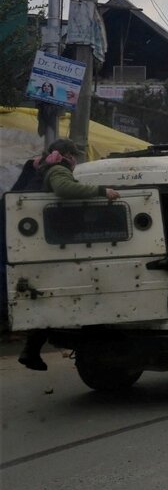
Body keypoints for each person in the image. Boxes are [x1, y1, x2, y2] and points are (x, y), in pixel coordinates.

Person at [16, 139, 120, 371]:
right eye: (73, 155)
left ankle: (31, 349)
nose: (75, 160)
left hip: (36, 242)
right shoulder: (57, 168)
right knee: (67, 295)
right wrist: (101, 191)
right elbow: (64, 189)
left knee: (50, 296)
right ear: (64, 154)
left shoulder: (39, 166)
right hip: (53, 242)